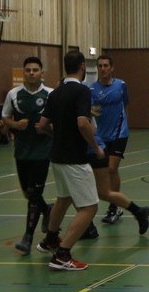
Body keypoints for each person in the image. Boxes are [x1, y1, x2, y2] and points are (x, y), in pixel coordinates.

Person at [32, 49, 99, 272]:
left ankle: (50, 239)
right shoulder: (82, 91)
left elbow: (42, 125)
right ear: (82, 67)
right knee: (89, 207)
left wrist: (59, 134)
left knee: (64, 199)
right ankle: (62, 254)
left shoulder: (55, 93)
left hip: (57, 157)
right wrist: (96, 146)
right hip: (75, 159)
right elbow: (82, 123)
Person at [1, 57, 54, 254]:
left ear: (42, 73)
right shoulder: (13, 94)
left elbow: (59, 121)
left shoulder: (51, 94)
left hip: (42, 151)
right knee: (28, 193)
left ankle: (27, 238)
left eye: (35, 70)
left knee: (34, 194)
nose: (31, 73)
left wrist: (47, 128)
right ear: (24, 72)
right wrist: (16, 125)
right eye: (28, 70)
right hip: (22, 151)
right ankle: (47, 209)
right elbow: (5, 117)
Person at [90, 55, 132, 225]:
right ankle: (116, 203)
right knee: (105, 172)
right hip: (101, 135)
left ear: (112, 67)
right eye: (100, 66)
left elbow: (126, 104)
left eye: (106, 65)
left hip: (120, 133)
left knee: (112, 168)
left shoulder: (121, 85)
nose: (103, 68)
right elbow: (91, 110)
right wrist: (93, 112)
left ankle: (114, 207)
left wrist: (122, 121)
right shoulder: (92, 89)